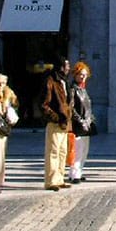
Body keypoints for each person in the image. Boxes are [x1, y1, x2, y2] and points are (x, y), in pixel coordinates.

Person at [41, 57, 72, 191]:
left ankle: (60, 178)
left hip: (65, 122)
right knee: (53, 151)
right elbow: (44, 104)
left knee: (62, 152)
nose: (68, 68)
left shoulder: (64, 82)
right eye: (67, 66)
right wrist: (54, 117)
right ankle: (51, 181)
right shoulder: (51, 81)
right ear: (60, 67)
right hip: (56, 122)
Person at [69, 62, 95, 184]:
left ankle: (78, 171)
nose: (83, 77)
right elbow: (71, 108)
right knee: (78, 150)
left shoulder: (83, 89)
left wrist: (90, 119)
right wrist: (80, 120)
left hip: (86, 123)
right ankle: (75, 174)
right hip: (78, 124)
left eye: (85, 75)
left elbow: (87, 107)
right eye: (80, 74)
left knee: (84, 149)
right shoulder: (73, 89)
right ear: (75, 74)